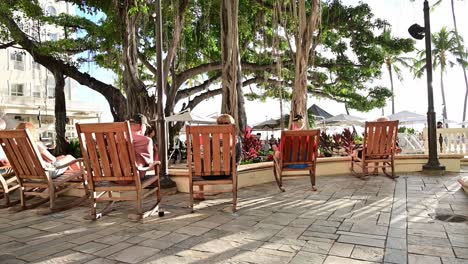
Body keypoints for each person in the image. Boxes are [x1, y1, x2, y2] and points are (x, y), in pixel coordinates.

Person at [194, 114, 242, 200]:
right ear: (232, 125)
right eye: (221, 123)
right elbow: (238, 158)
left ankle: (201, 194)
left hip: (207, 174)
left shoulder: (210, 140)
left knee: (201, 163)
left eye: (225, 123)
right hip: (228, 174)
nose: (223, 125)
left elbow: (205, 156)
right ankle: (235, 197)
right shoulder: (236, 139)